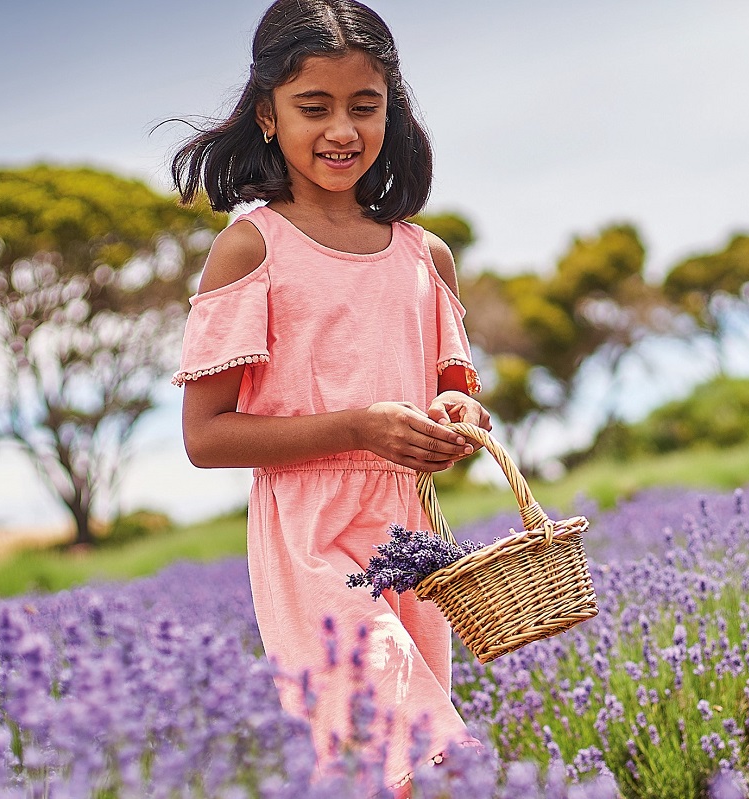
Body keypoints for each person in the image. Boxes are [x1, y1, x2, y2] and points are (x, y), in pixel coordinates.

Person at [166, 0, 487, 790]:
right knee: (422, 744)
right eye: (314, 107)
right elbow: (206, 436)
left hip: (411, 538)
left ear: (393, 113)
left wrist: (460, 419)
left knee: (395, 768)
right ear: (267, 115)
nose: (342, 129)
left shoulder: (425, 256)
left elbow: (456, 397)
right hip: (310, 540)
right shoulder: (252, 247)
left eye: (364, 106)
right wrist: (357, 427)